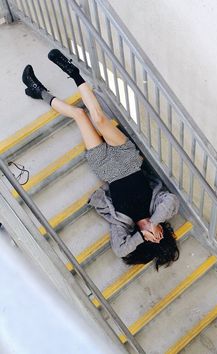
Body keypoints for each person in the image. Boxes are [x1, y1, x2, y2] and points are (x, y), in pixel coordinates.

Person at [22, 49, 180, 271]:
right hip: (128, 160)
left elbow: (120, 250)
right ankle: (73, 71)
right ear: (163, 232)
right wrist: (153, 222)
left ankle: (40, 92)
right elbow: (171, 199)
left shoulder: (123, 225)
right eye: (160, 236)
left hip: (105, 167)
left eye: (153, 241)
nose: (154, 235)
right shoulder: (160, 209)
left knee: (79, 115)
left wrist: (141, 237)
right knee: (98, 118)